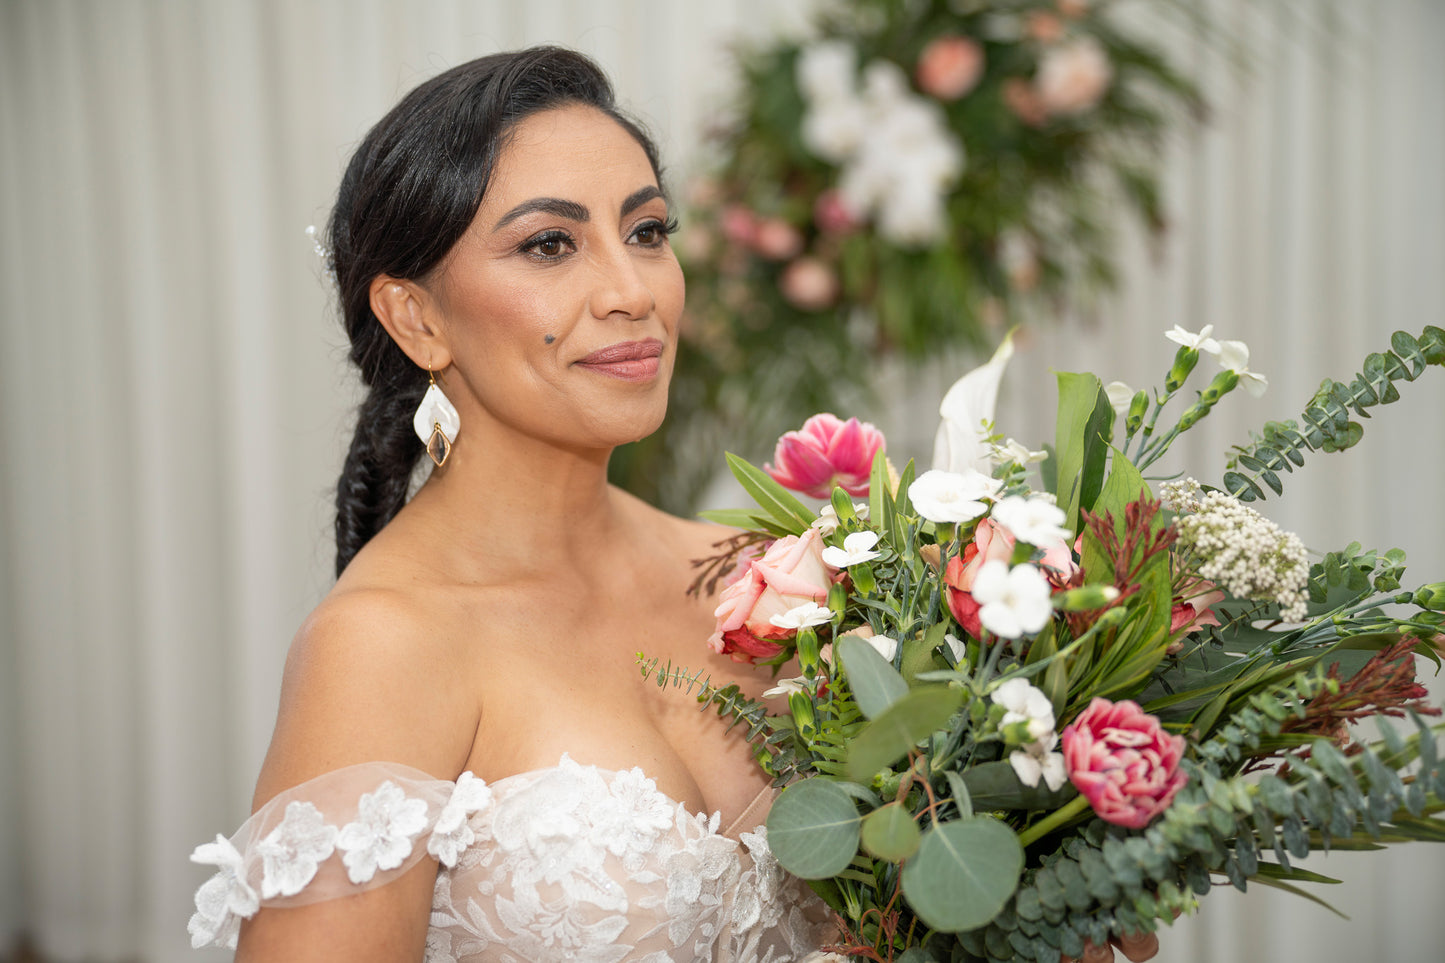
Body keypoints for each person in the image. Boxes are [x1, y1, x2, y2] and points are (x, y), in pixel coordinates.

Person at [186, 45, 1162, 963]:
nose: (630, 290)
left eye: (647, 232)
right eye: (548, 245)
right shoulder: (386, 641)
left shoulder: (774, 576)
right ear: (418, 316)